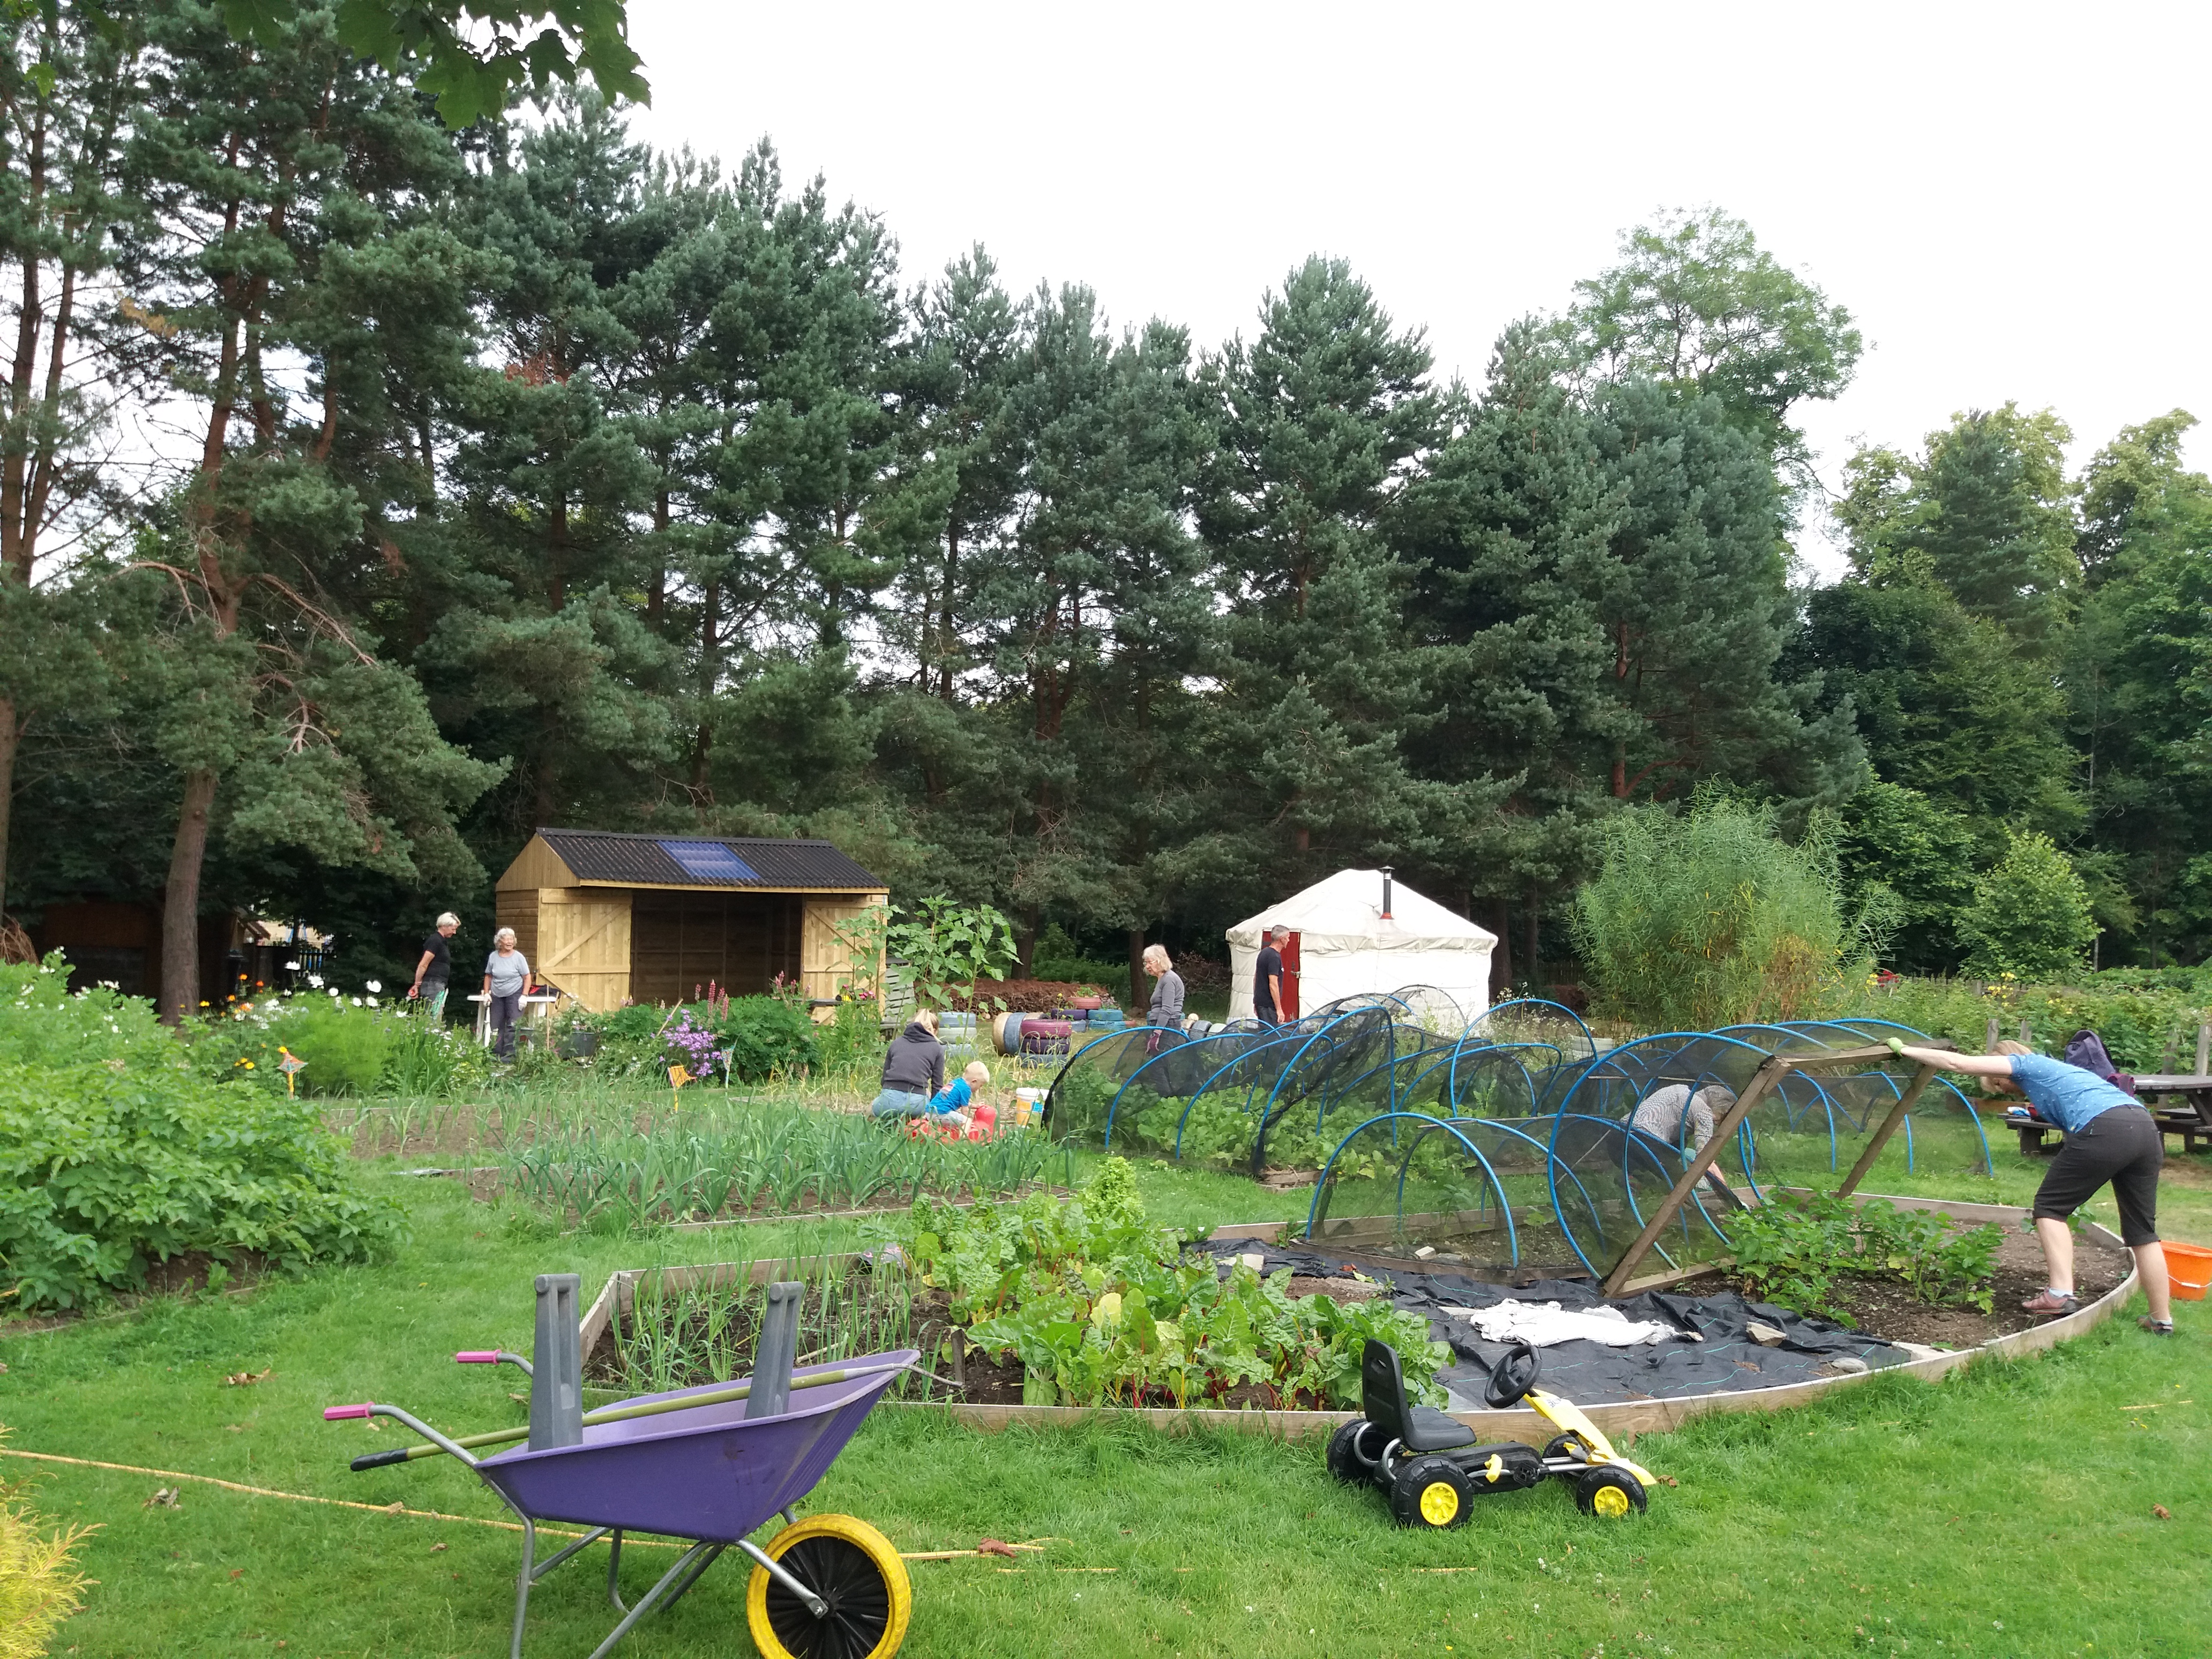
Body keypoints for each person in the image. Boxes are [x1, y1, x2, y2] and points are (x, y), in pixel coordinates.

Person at [1889, 1038, 2174, 1333]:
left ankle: (2060, 1294)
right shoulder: (2060, 1072)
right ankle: (2161, 1321)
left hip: (2105, 1127)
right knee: (2143, 1232)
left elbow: (1957, 1063)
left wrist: (1905, 1049)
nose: (2000, 1088)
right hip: (2143, 1127)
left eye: (1997, 1083)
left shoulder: (2027, 1065)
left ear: (2002, 1066)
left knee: (2050, 1208)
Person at [1627, 1082, 1744, 1206]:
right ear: (1720, 1108)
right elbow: (1705, 1158)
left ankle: (1633, 1188)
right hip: (1644, 1143)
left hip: (1620, 1135)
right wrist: (1727, 1193)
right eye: (1720, 1118)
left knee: (1678, 1146)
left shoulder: (1677, 1089)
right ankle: (1692, 1211)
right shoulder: (1703, 1112)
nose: (1716, 1123)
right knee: (1681, 1183)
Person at [870, 1010, 946, 1118]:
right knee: (924, 1094)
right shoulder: (937, 1049)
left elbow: (884, 1081)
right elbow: (937, 1087)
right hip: (916, 1105)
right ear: (934, 1031)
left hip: (889, 1102)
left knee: (872, 1109)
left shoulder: (896, 1043)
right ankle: (910, 1127)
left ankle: (881, 1127)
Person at [482, 927, 532, 1061]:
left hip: (515, 993)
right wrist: (487, 993)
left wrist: (524, 996)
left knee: (513, 1024)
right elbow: (488, 976)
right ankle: (495, 1053)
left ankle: (510, 1055)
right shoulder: (493, 956)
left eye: (512, 939)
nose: (510, 942)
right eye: (506, 939)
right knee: (495, 1024)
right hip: (497, 994)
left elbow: (527, 977)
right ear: (500, 942)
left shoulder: (518, 957)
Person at [409, 912, 460, 1020]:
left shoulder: (442, 942)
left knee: (436, 1014)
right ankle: (428, 1036)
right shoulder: (435, 941)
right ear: (444, 926)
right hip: (433, 984)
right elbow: (424, 964)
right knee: (432, 1016)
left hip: (438, 983)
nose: (454, 932)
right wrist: (417, 984)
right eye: (453, 929)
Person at [1143, 944, 1184, 1052]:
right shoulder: (1162, 979)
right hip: (1161, 1026)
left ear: (1160, 961)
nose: (1147, 966)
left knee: (1160, 1061)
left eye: (1150, 962)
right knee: (1155, 1062)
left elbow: (1167, 1009)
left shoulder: (1169, 979)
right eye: (1146, 963)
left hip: (1168, 1026)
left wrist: (1157, 1034)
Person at [1253, 925, 1288, 1025]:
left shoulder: (1263, 953)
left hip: (1261, 1004)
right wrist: (1279, 1009)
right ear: (1282, 939)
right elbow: (1273, 984)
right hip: (1268, 1006)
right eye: (1288, 937)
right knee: (1271, 1037)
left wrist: (1256, 1001)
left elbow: (1256, 978)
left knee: (1264, 1035)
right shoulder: (1274, 957)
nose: (1289, 940)